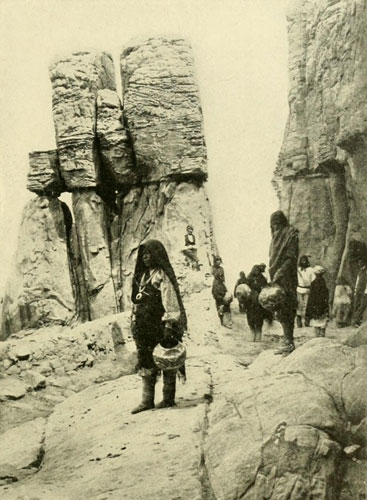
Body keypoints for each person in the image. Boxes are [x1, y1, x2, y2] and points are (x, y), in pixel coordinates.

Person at [130, 239, 187, 414]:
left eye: (149, 254)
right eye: (144, 254)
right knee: (145, 359)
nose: (146, 257)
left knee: (165, 358)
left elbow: (169, 299)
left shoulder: (162, 274)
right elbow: (136, 302)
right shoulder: (141, 276)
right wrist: (134, 320)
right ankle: (147, 400)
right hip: (143, 326)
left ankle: (168, 398)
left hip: (159, 325)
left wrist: (170, 324)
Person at [269, 210, 299, 355]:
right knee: (280, 310)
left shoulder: (291, 235)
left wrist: (280, 272)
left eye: (276, 224)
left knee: (287, 307)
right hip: (277, 277)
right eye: (272, 225)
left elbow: (290, 258)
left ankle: (289, 341)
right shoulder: (276, 237)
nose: (274, 228)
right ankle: (287, 340)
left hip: (287, 277)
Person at [246, 265, 269, 341]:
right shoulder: (248, 278)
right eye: (254, 270)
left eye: (257, 270)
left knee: (259, 319)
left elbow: (265, 288)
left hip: (258, 302)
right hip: (250, 302)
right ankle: (252, 333)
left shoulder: (262, 278)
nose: (256, 271)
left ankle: (258, 334)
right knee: (250, 318)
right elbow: (245, 289)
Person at [305, 266, 329, 337]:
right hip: (322, 305)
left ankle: (317, 337)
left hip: (315, 306)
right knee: (322, 323)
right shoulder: (323, 282)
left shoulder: (313, 283)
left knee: (316, 323)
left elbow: (311, 297)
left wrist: (309, 309)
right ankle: (321, 336)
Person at [211, 256, 232, 328]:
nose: (218, 262)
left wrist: (225, 287)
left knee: (226, 303)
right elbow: (213, 275)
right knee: (219, 304)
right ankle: (221, 321)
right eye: (217, 260)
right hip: (216, 286)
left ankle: (227, 321)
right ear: (215, 261)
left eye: (219, 260)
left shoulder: (221, 269)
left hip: (221, 286)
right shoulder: (212, 268)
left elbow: (223, 279)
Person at [296, 255, 315, 327]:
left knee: (307, 306)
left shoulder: (311, 270)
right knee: (299, 305)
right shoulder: (297, 270)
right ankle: (299, 322)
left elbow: (313, 280)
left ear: (307, 261)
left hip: (307, 289)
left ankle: (307, 322)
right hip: (299, 289)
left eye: (305, 260)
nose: (303, 262)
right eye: (302, 260)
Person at [351, 259, 367, 327]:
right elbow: (357, 281)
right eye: (358, 262)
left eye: (360, 262)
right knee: (357, 305)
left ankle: (356, 320)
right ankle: (355, 321)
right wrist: (355, 290)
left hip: (364, 291)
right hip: (359, 291)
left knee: (362, 306)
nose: (359, 264)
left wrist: (366, 291)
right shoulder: (360, 271)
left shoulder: (365, 271)